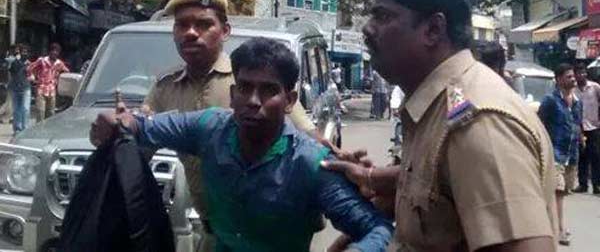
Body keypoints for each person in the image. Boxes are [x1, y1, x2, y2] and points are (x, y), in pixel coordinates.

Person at [322, 0, 557, 252]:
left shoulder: (479, 123)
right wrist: (372, 180)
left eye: (383, 16)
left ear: (433, 29)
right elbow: (438, 186)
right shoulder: (438, 106)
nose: (368, 29)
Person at [90, 38, 393, 252]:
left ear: (289, 100)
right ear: (233, 93)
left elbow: (377, 229)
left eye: (268, 90)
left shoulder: (311, 163)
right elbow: (145, 127)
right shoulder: (209, 127)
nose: (253, 101)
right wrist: (120, 123)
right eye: (245, 88)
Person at [142, 0, 335, 251]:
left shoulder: (252, 82)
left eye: (203, 24)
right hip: (209, 232)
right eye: (182, 25)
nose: (191, 33)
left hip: (266, 238)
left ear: (225, 31)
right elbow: (141, 145)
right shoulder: (164, 88)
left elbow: (308, 141)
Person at [539, 63, 583, 246]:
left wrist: (580, 140)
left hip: (571, 153)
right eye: (568, 77)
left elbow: (577, 124)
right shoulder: (550, 101)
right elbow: (539, 124)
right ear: (558, 80)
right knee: (557, 191)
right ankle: (559, 230)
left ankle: (548, 223)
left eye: (573, 76)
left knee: (563, 192)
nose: (573, 79)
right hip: (555, 153)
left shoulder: (577, 102)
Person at [573, 62, 600, 194]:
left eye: (583, 72)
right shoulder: (573, 89)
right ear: (575, 75)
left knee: (596, 156)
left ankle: (597, 185)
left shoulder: (595, 87)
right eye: (579, 73)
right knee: (582, 156)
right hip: (579, 127)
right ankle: (582, 184)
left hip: (594, 126)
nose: (581, 75)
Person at [28, 43, 70, 122]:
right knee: (40, 113)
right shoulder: (42, 60)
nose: (55, 53)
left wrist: (59, 78)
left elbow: (67, 72)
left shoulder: (59, 63)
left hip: (52, 91)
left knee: (50, 114)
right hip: (41, 90)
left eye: (57, 51)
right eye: (53, 51)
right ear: (49, 51)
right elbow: (30, 68)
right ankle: (39, 129)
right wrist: (32, 78)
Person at [5, 44, 31, 134]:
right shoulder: (13, 61)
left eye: (26, 52)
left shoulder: (29, 63)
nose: (24, 54)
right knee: (16, 109)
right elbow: (11, 68)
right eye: (23, 52)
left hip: (25, 88)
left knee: (25, 109)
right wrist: (17, 58)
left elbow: (31, 74)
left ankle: (25, 128)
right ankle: (17, 129)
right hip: (15, 88)